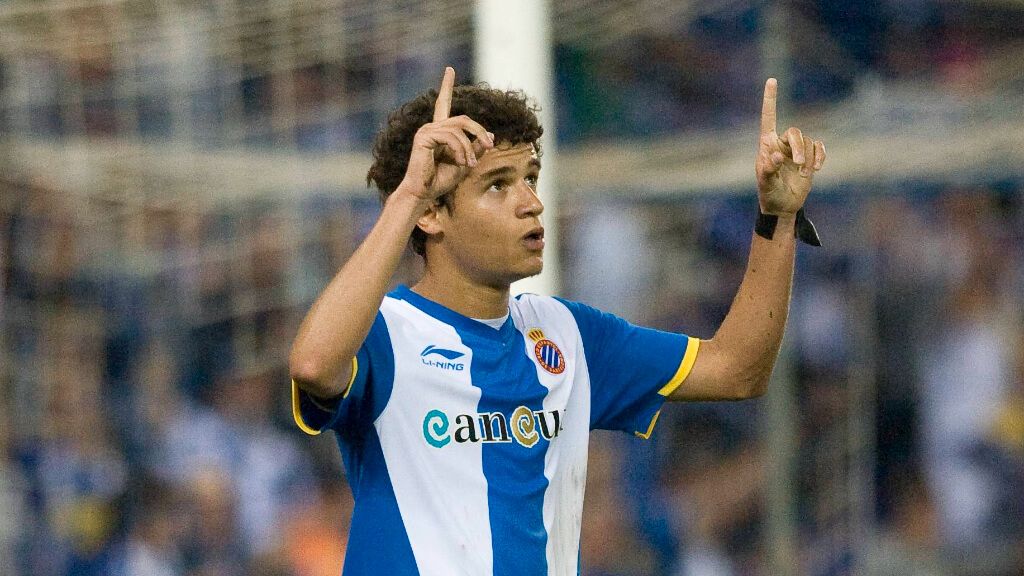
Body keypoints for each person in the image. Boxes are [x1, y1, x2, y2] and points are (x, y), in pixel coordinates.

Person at [289, 67, 825, 575]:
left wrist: (776, 219)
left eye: (530, 177)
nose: (531, 203)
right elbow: (313, 365)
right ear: (431, 214)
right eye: (498, 184)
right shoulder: (383, 333)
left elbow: (737, 370)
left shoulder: (566, 335)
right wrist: (407, 195)